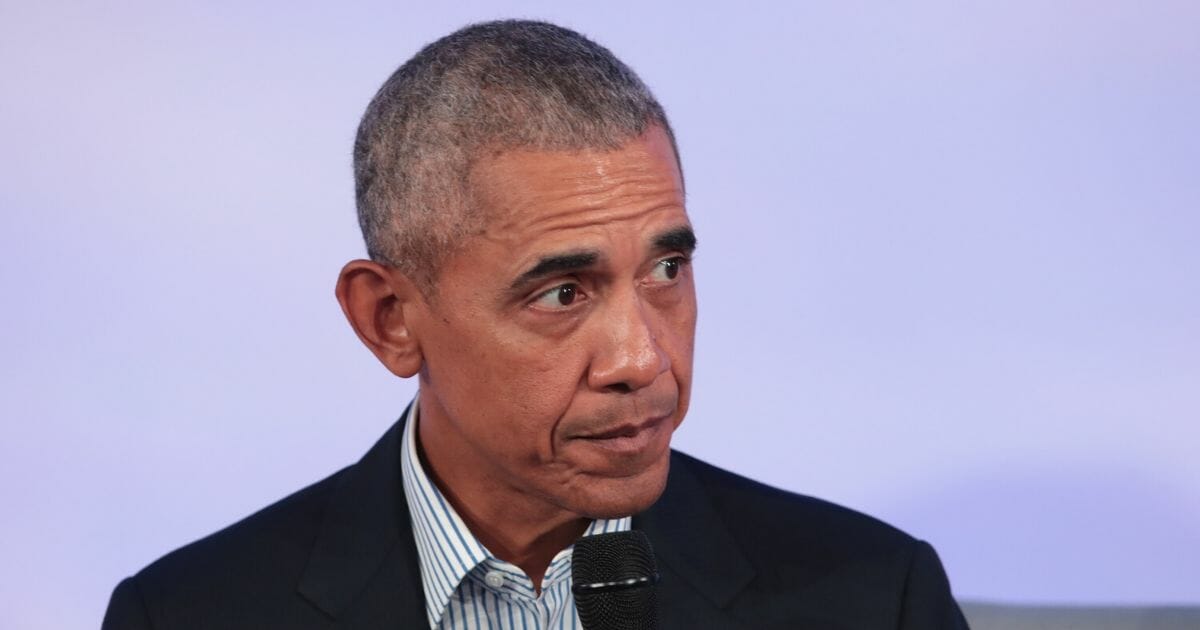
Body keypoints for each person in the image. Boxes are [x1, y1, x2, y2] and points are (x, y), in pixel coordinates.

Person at [102, 19, 968, 629]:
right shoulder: (189, 613)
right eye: (563, 293)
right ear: (391, 319)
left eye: (667, 270)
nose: (641, 359)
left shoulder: (873, 597)